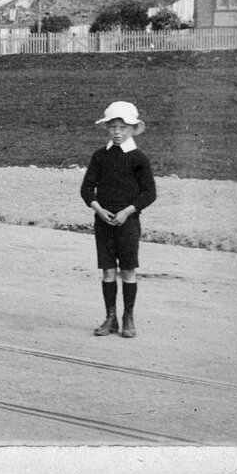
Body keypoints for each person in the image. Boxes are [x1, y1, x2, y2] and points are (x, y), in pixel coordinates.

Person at [80, 100, 157, 338]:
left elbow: (149, 193)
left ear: (133, 129)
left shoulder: (138, 159)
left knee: (128, 270)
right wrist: (98, 209)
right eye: (113, 127)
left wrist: (127, 211)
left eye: (123, 128)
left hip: (128, 221)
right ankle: (110, 317)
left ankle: (128, 318)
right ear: (107, 128)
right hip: (103, 221)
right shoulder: (100, 156)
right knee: (107, 271)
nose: (117, 132)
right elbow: (86, 189)